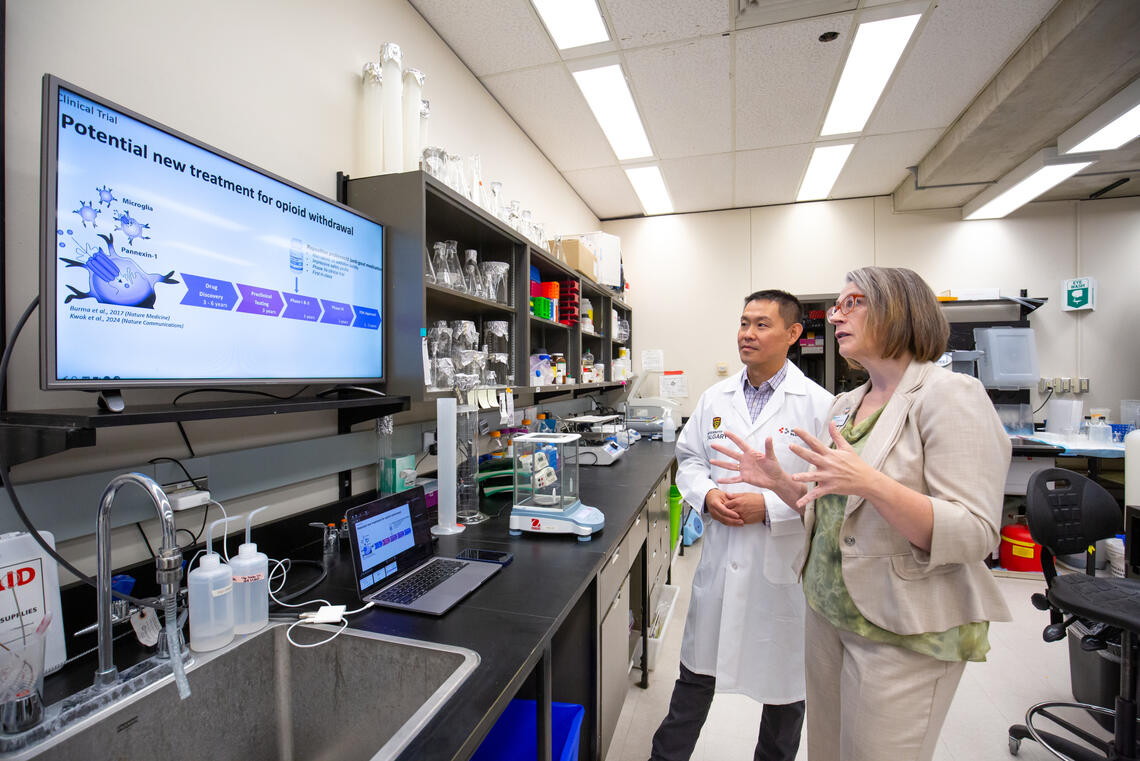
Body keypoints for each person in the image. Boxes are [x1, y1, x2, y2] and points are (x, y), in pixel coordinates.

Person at [710, 267, 1012, 761]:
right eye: (836, 305)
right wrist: (780, 484)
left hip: (901, 629)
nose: (834, 316)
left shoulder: (949, 395)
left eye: (852, 303)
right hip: (828, 615)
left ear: (898, 310)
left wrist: (870, 482)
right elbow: (837, 512)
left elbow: (975, 533)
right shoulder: (848, 405)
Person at [649, 290, 833, 761]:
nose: (747, 334)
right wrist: (707, 495)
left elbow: (832, 494)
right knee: (692, 682)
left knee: (785, 698)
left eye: (762, 324)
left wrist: (769, 507)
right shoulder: (716, 397)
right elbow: (689, 459)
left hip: (782, 569)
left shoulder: (819, 405)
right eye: (744, 323)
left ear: (793, 334)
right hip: (721, 560)